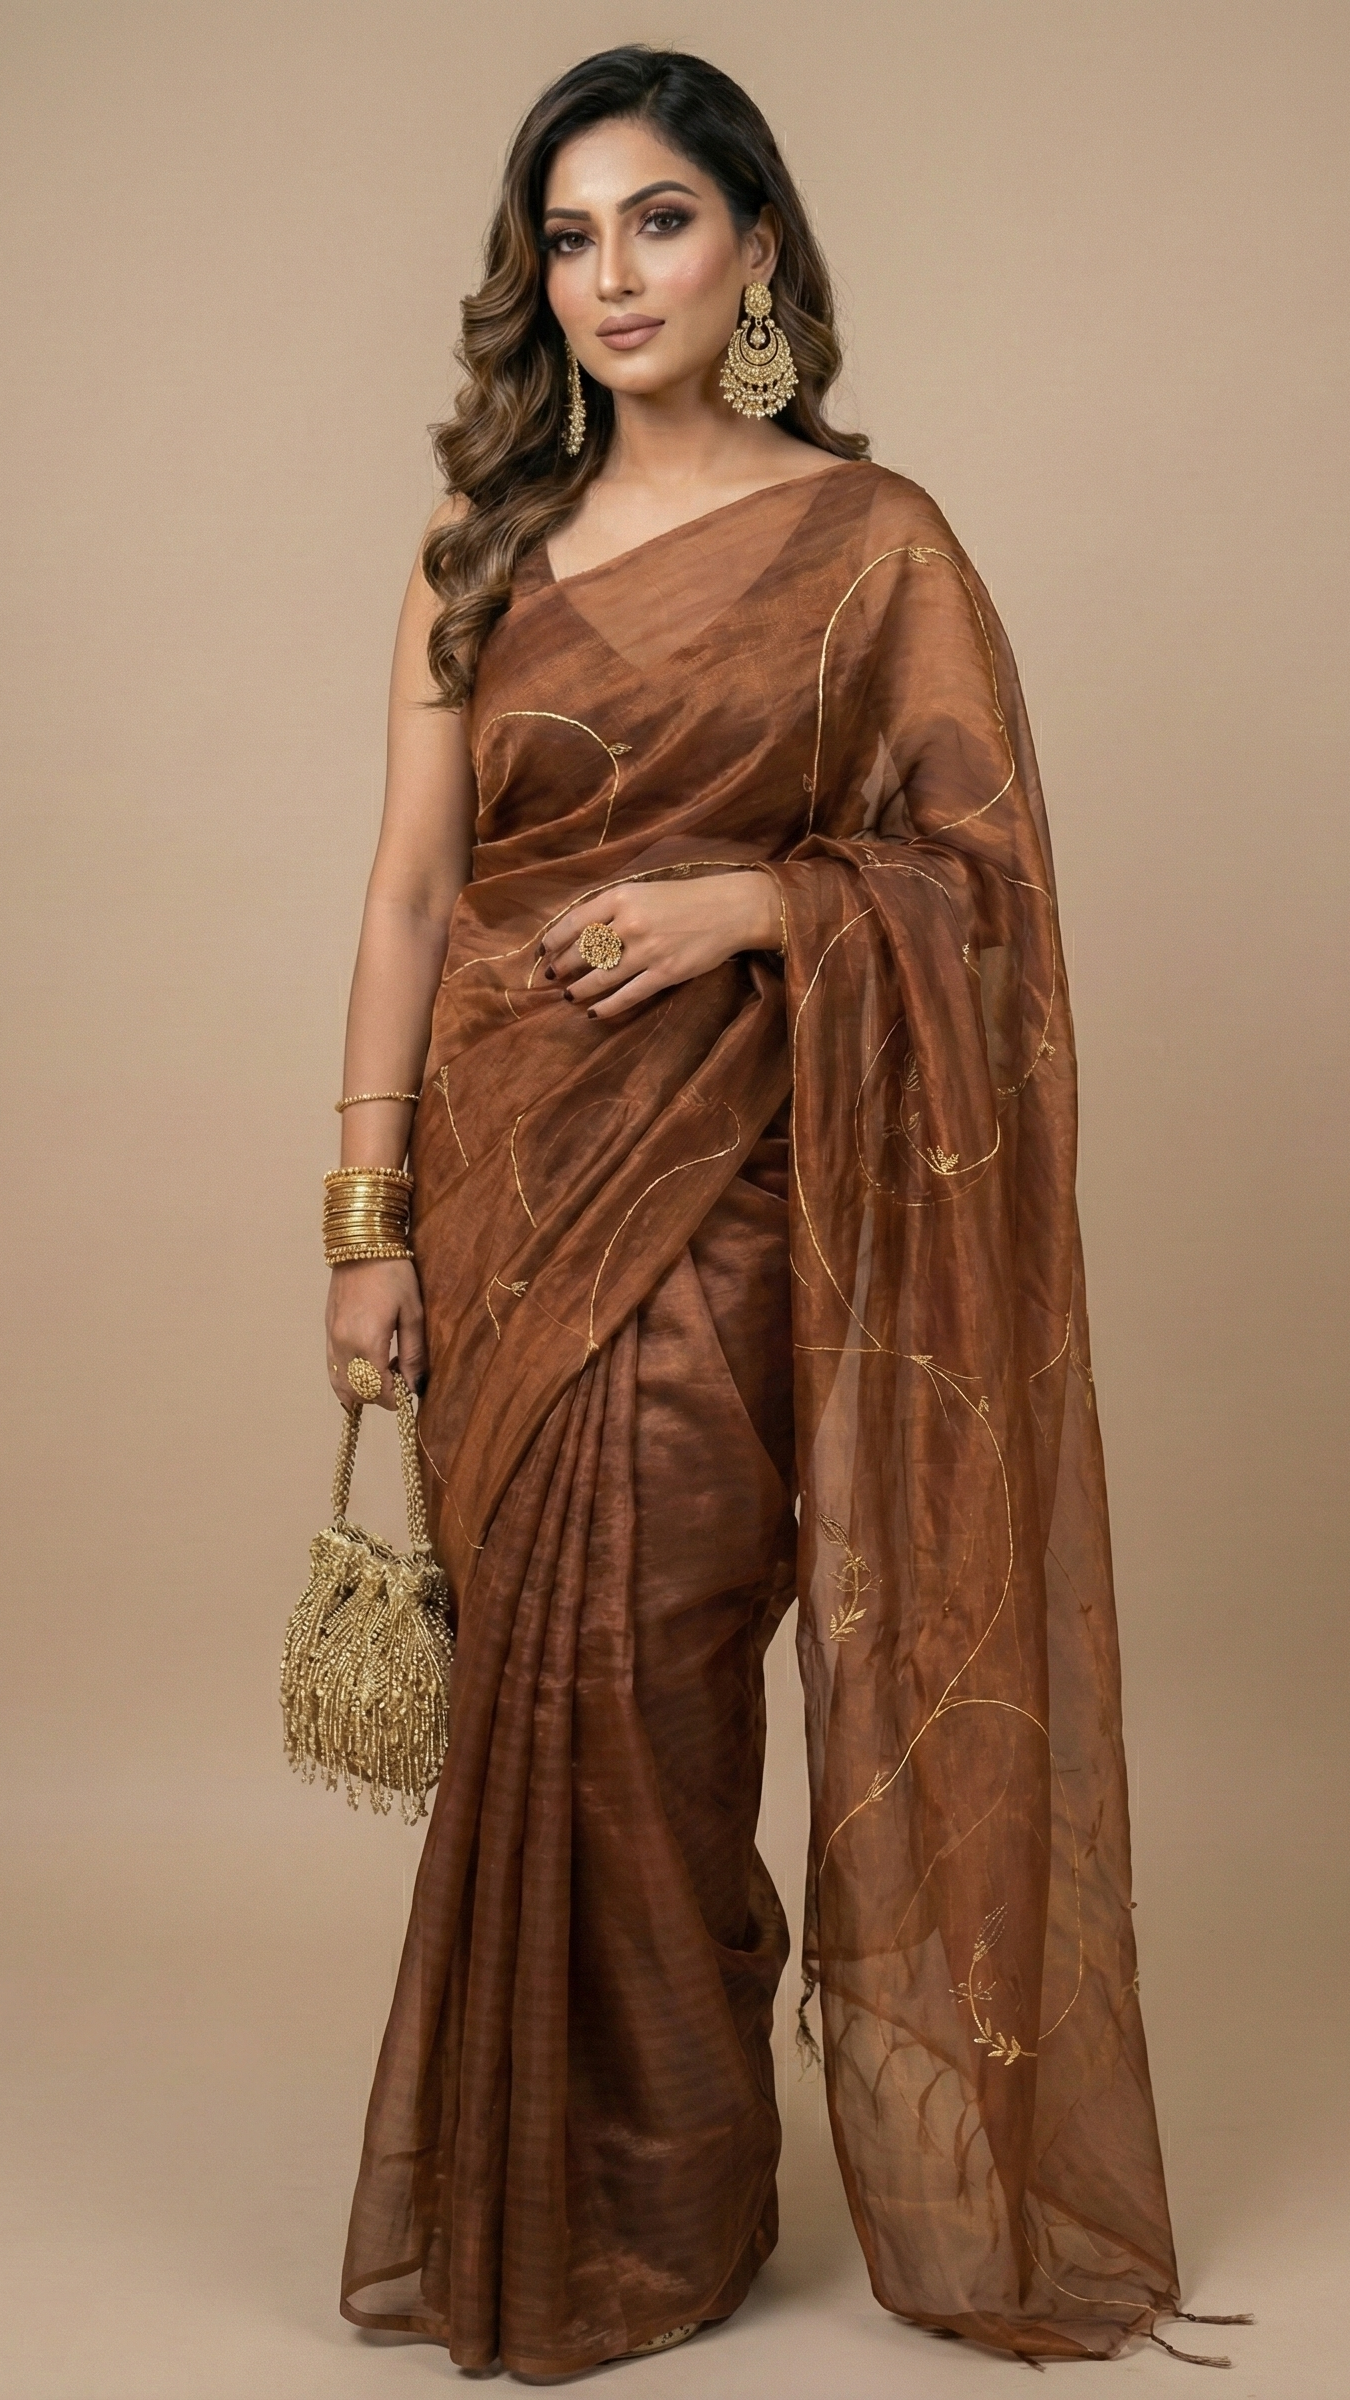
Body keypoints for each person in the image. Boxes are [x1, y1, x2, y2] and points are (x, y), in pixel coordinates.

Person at [322, 42, 1184, 2381]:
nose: (614, 277)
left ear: (757, 247)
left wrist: (765, 909)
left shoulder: (874, 545)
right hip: (505, 1185)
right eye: (570, 238)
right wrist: (365, 1220)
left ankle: (672, 2207)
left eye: (661, 221)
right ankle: (545, 2201)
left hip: (734, 1193)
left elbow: (981, 897)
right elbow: (410, 895)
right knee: (537, 1674)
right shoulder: (475, 550)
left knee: (655, 1684)